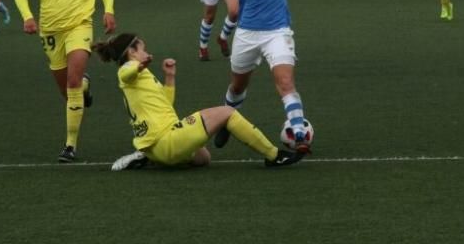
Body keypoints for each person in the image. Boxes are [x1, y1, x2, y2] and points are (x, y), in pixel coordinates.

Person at [94, 33, 305, 171]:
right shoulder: (127, 71)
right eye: (142, 49)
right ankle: (274, 155)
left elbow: (166, 103)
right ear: (132, 52)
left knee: (203, 158)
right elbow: (127, 72)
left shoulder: (142, 76)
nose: (147, 52)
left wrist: (169, 77)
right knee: (227, 112)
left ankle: (148, 157)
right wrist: (139, 66)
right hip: (165, 140)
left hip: (160, 144)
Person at [15, 0, 116, 163]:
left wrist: (108, 10)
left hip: (80, 26)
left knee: (71, 82)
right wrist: (27, 17)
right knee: (68, 89)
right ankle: (84, 85)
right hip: (50, 31)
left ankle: (70, 146)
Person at [211, 0, 311, 152]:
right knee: (238, 86)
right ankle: (226, 120)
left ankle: (299, 133)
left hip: (278, 31)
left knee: (285, 82)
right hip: (247, 33)